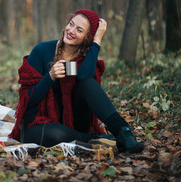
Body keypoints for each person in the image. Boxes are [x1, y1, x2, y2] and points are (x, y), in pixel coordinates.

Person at [8, 9, 144, 154]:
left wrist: (96, 42)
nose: (71, 30)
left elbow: (85, 79)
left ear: (87, 37)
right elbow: (27, 100)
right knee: (55, 134)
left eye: (79, 30)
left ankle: (123, 132)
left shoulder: (85, 59)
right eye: (71, 24)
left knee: (88, 83)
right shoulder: (42, 51)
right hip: (39, 122)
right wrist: (50, 76)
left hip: (73, 121)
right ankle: (90, 137)